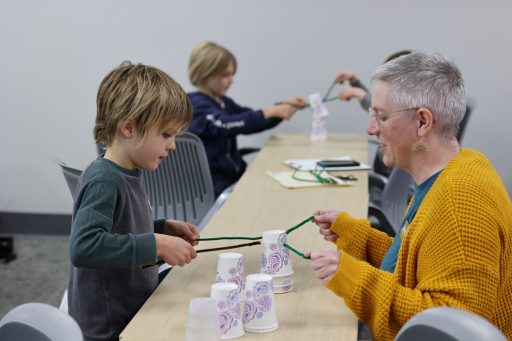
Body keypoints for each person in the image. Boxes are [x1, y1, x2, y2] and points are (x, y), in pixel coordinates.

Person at [308, 51, 512, 340]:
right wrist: (357, 234)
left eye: (381, 116)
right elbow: (417, 262)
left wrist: (353, 278)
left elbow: (448, 328)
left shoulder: (458, 201)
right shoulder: (454, 167)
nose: (371, 128)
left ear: (422, 122)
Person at [68, 61, 200, 341]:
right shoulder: (104, 178)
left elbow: (118, 229)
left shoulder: (128, 171)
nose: (173, 144)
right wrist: (157, 244)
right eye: (166, 134)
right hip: (111, 329)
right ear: (129, 128)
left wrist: (161, 227)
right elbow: (85, 246)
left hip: (134, 310)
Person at [187, 41, 306, 197]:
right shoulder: (196, 105)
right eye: (225, 75)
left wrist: (280, 109)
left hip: (234, 176)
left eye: (232, 74)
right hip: (214, 183)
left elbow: (250, 121)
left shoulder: (223, 102)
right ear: (206, 73)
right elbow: (225, 125)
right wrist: (269, 111)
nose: (231, 80)